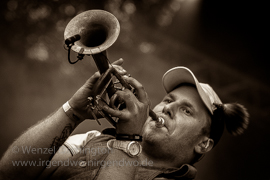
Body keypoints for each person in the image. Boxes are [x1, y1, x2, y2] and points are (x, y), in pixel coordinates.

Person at [0, 59, 249, 180]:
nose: (168, 108)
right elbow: (10, 173)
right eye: (169, 100)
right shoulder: (95, 139)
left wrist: (128, 139)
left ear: (204, 144)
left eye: (187, 111)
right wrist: (72, 111)